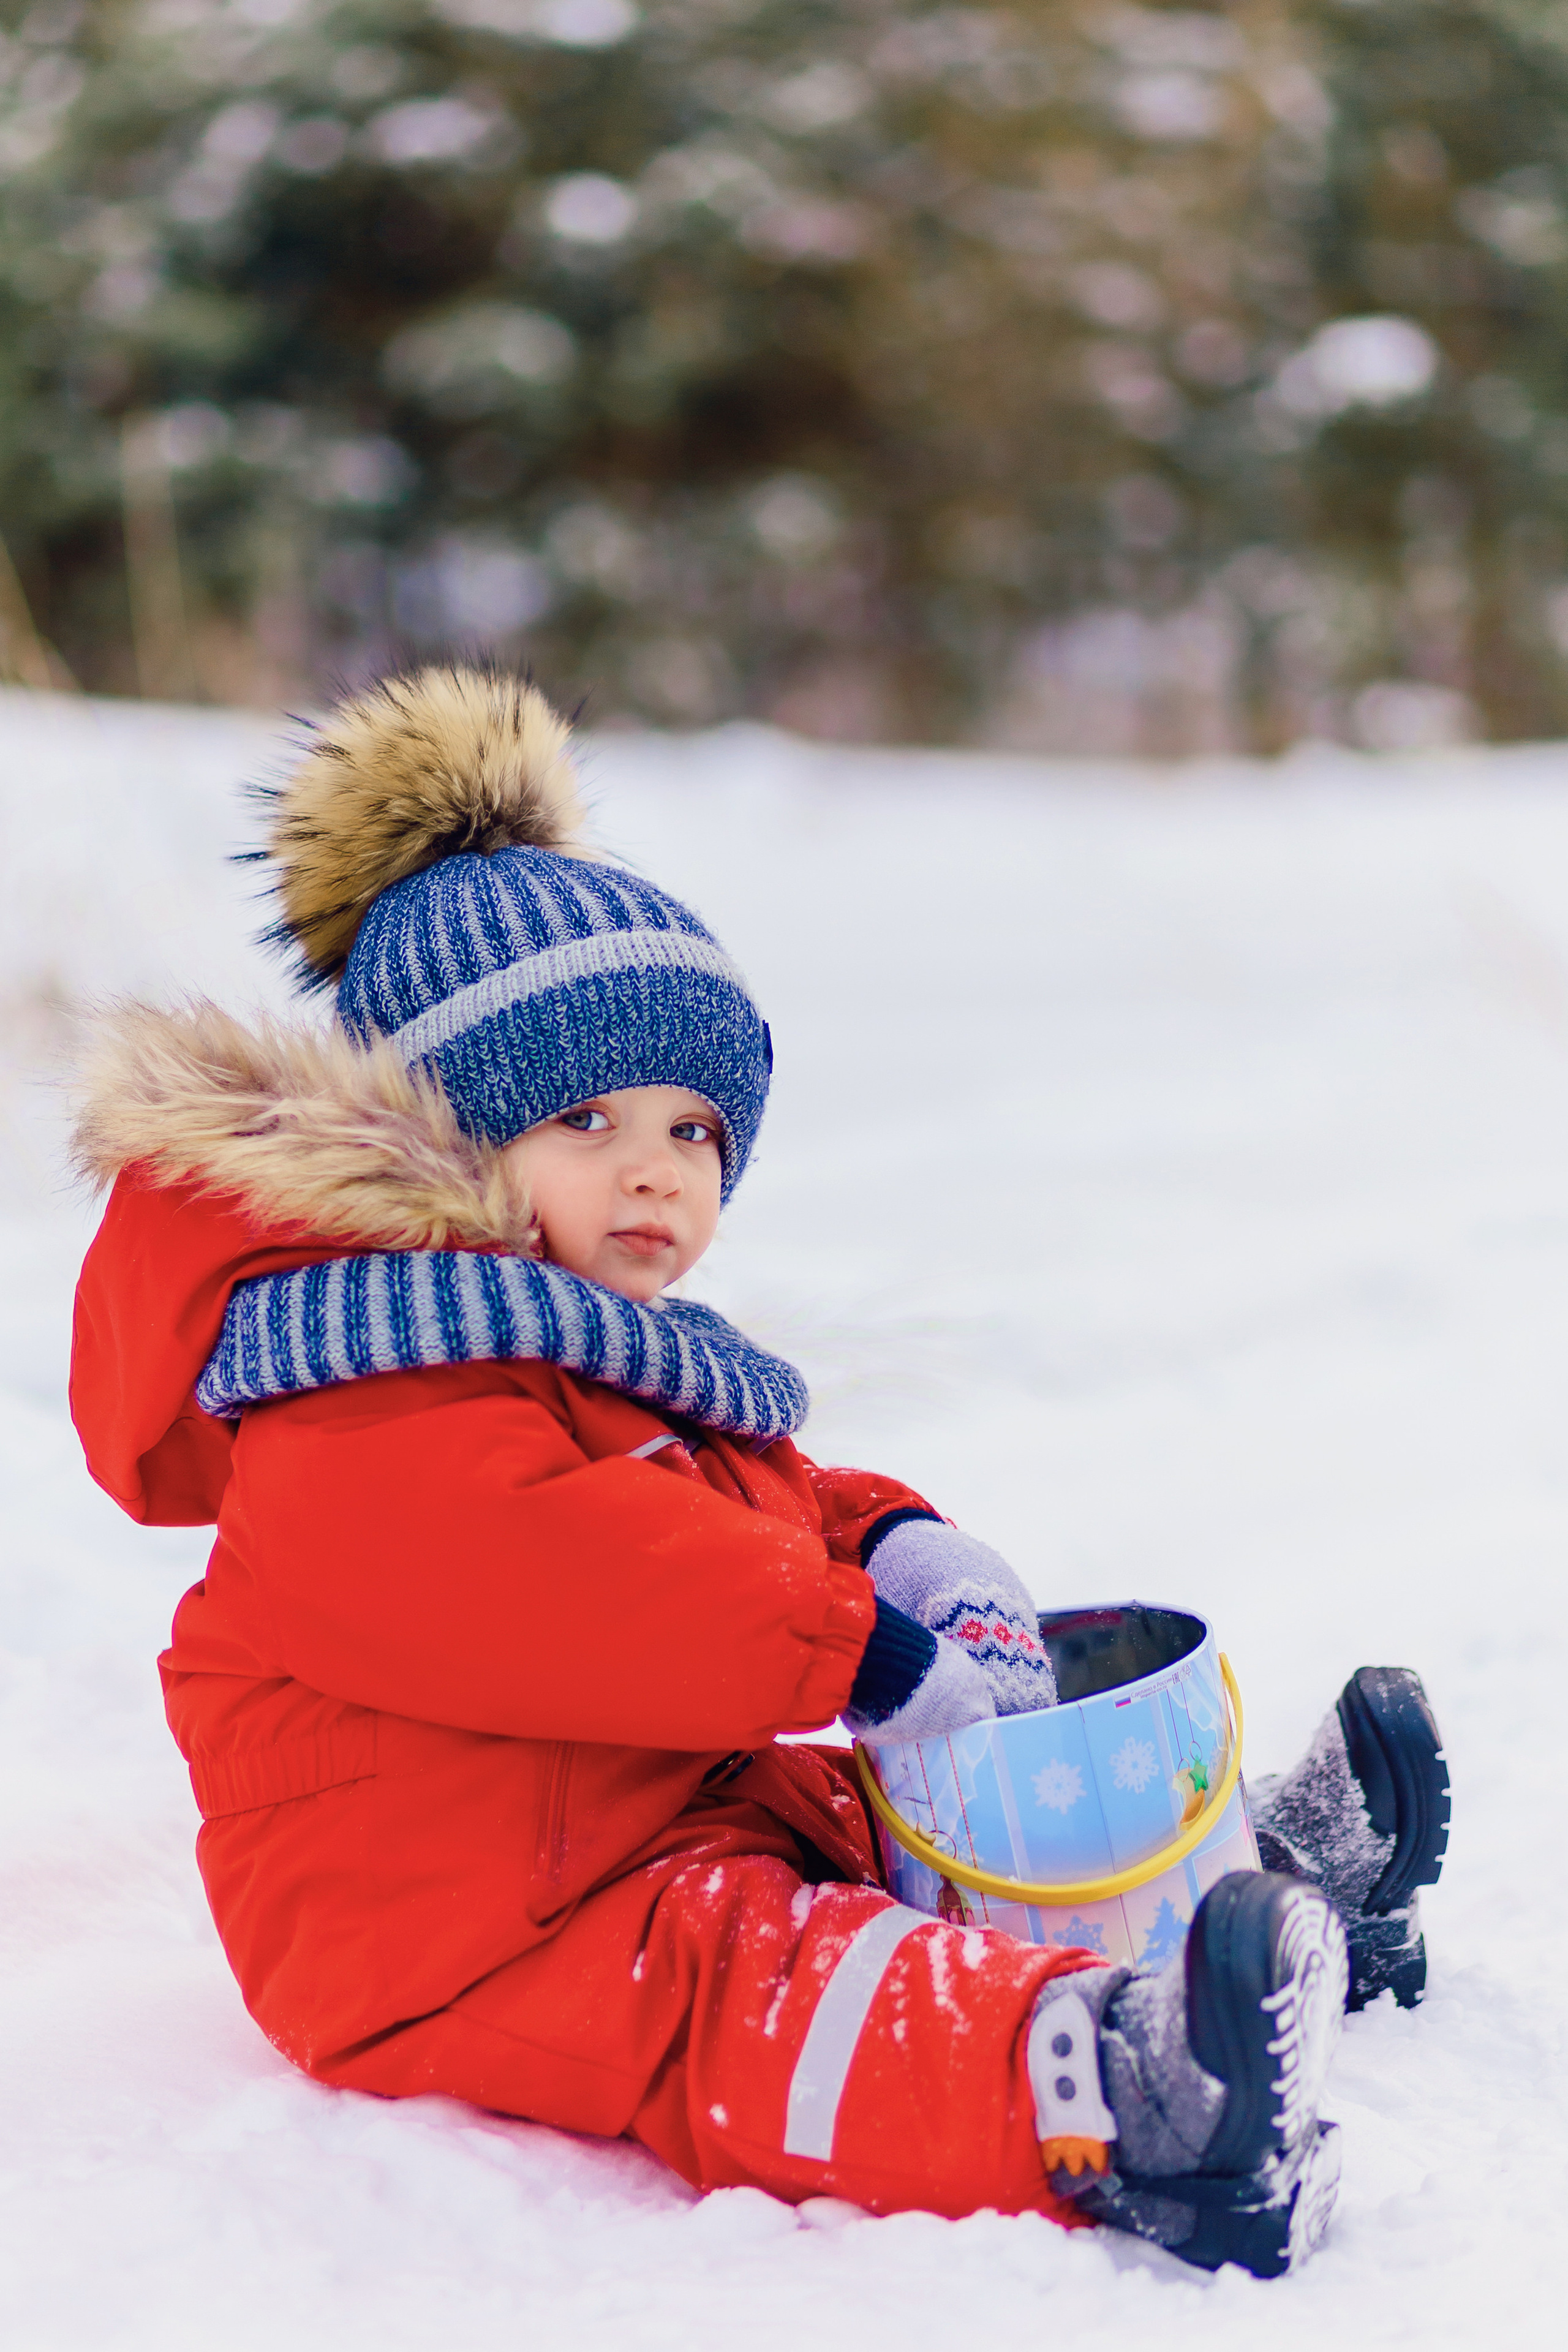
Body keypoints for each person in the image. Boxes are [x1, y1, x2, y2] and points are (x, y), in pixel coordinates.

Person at [69, 666, 1449, 2279]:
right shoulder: (357, 1390)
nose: (656, 1168)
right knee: (768, 1987)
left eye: (698, 1131)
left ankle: (1221, 1892)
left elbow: (754, 1511)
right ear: (432, 1137)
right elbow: (540, 1570)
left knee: (909, 1818)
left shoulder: (582, 1346)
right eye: (586, 1118)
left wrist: (902, 1551)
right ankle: (1115, 2089)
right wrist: (838, 1642)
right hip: (463, 1925)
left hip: (655, 1808)